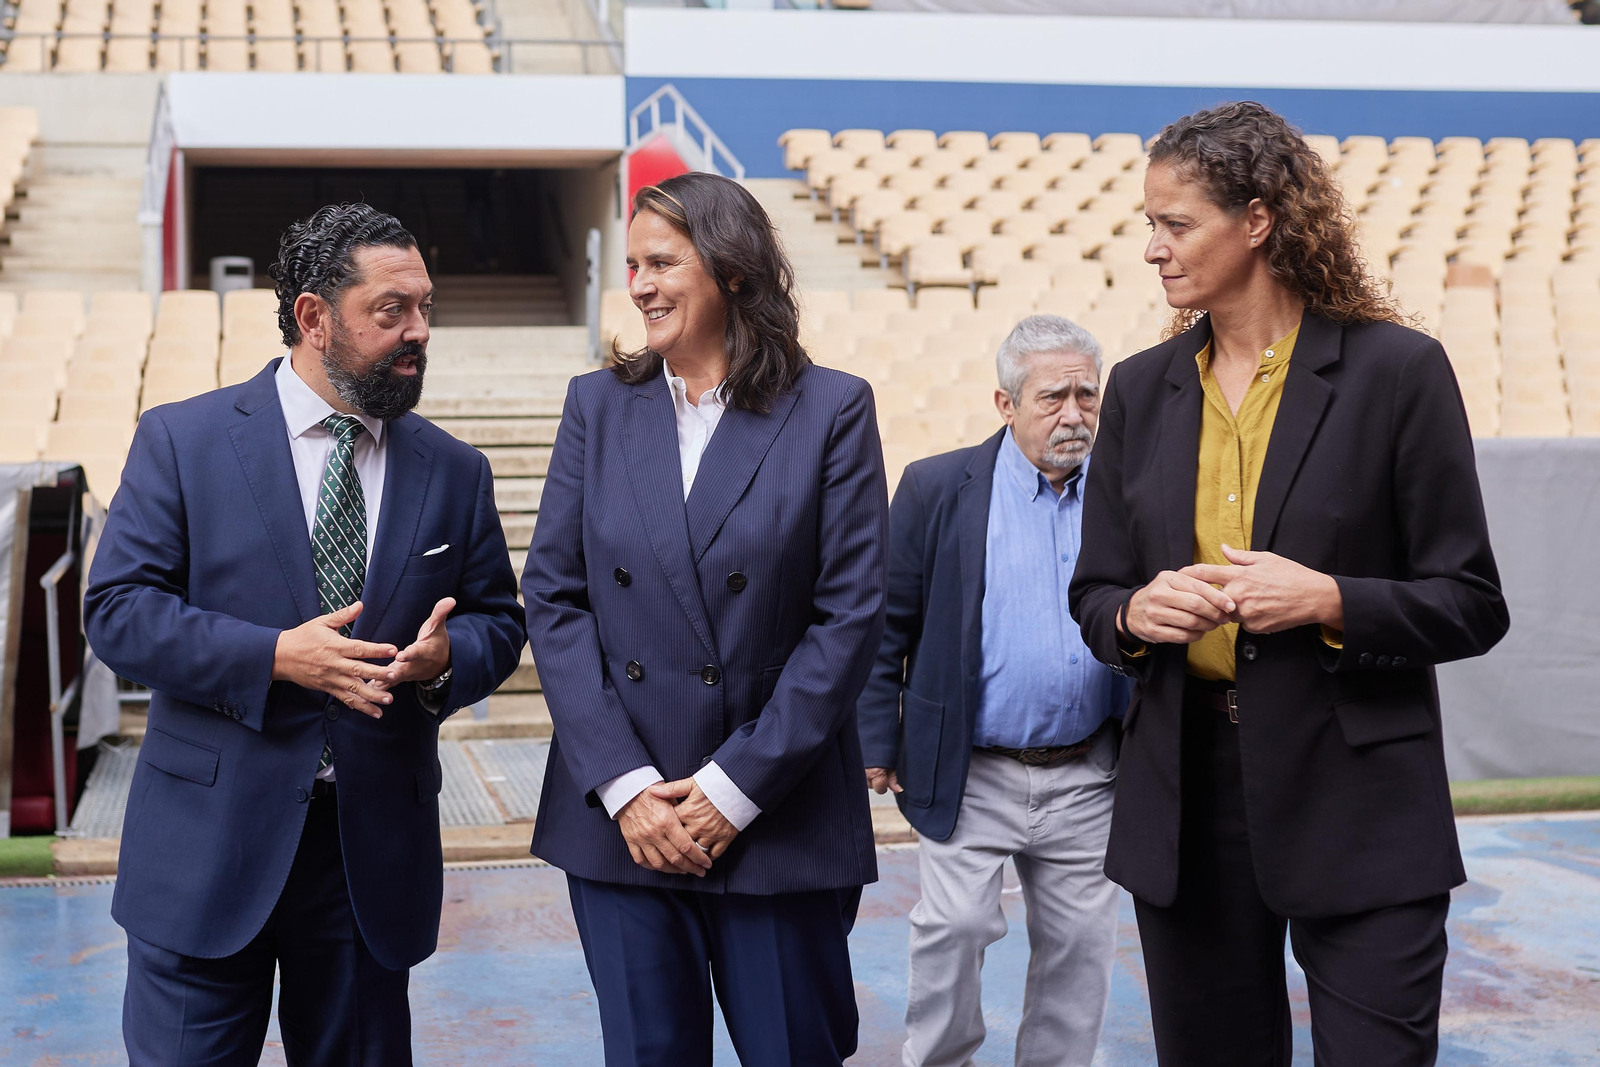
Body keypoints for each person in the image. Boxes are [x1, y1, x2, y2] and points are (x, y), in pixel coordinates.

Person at [1069, 102, 1510, 1066]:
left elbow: (1473, 599)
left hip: (1361, 799)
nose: (1153, 249)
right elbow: (1095, 594)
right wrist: (1137, 614)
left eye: (1175, 223)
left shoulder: (1399, 372)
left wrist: (1331, 599)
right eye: (1150, 224)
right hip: (1184, 803)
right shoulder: (1141, 389)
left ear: (1259, 220)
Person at [85, 203, 527, 1064]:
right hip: (205, 851)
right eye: (390, 311)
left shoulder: (453, 469)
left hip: (367, 864)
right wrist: (276, 656)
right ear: (314, 317)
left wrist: (444, 665)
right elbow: (117, 610)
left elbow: (496, 624)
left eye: (425, 308)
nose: (418, 332)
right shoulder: (183, 439)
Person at [523, 172, 888, 1067]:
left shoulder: (832, 408)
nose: (640, 283)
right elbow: (555, 598)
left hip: (776, 812)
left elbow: (846, 621)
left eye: (662, 262)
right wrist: (625, 785)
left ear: (729, 270)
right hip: (624, 824)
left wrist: (730, 791)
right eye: (634, 265)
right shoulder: (598, 406)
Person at [858, 314, 1129, 1067]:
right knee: (954, 929)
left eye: (1086, 395)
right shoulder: (938, 486)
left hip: (1089, 772)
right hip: (970, 768)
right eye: (1052, 397)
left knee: (1080, 948)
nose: (1074, 414)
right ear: (1005, 404)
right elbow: (889, 624)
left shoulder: (1127, 490)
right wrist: (876, 740)